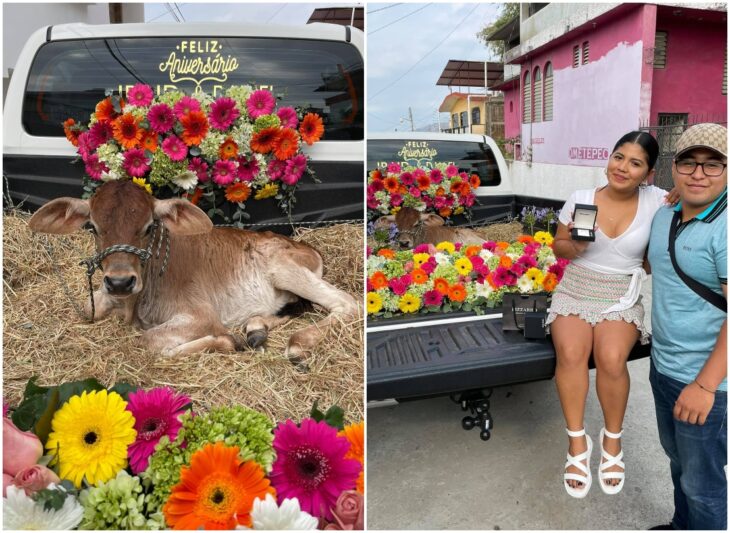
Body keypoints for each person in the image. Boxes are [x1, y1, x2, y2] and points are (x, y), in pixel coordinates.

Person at [547, 131, 675, 498]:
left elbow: (693, 198)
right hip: (575, 287)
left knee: (612, 358)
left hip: (621, 293)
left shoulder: (659, 202)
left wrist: (680, 192)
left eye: (635, 163)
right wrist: (575, 242)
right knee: (570, 354)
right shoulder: (581, 199)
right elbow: (559, 248)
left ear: (648, 173)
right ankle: (577, 443)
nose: (622, 168)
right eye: (619, 157)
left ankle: (612, 441)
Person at [646, 123, 726, 530]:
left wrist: (706, 385)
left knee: (704, 484)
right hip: (664, 368)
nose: (699, 174)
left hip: (705, 382)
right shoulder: (666, 212)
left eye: (713, 165)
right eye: (689, 163)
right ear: (673, 168)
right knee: (678, 463)